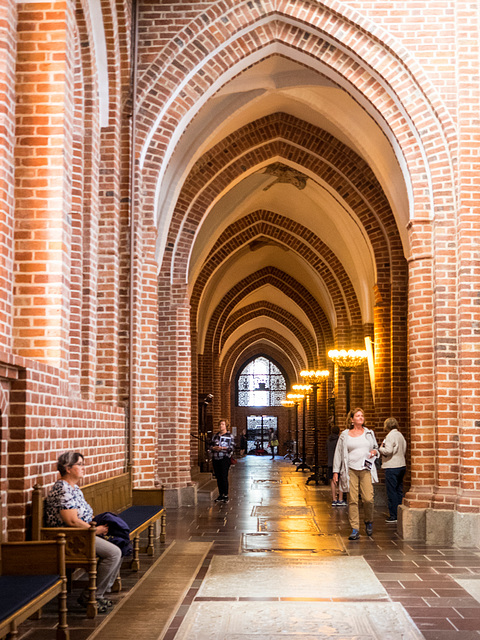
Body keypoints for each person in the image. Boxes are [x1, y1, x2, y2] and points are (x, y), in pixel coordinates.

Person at [45, 451, 123, 613]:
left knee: (119, 544)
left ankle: (99, 594)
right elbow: (71, 521)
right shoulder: (62, 489)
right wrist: (95, 530)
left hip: (83, 534)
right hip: (70, 538)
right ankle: (91, 595)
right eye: (80, 465)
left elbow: (83, 514)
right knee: (114, 552)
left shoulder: (74, 488)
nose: (83, 468)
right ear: (67, 468)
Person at [333, 408, 380, 540]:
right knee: (353, 499)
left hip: (366, 469)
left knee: (368, 498)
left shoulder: (369, 433)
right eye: (358, 416)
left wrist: (375, 452)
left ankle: (368, 520)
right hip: (350, 470)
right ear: (352, 420)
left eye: (362, 416)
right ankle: (355, 528)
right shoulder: (345, 435)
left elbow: (376, 448)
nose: (361, 418)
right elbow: (339, 453)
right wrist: (336, 471)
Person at [379, 417, 407, 523]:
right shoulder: (400, 435)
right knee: (399, 491)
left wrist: (380, 449)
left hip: (392, 466)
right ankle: (400, 513)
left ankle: (394, 515)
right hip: (401, 465)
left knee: (392, 491)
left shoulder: (390, 436)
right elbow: (404, 448)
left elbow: (388, 450)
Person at [210, 418, 235, 503]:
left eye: (223, 424)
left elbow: (231, 448)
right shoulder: (215, 436)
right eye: (220, 424)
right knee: (218, 477)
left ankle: (225, 495)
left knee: (224, 476)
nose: (221, 426)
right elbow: (210, 446)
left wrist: (222, 448)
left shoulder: (229, 436)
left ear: (226, 426)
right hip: (216, 458)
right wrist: (214, 448)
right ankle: (220, 494)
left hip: (224, 458)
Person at [326, 425, 346, 506]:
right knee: (341, 480)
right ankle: (340, 499)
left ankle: (334, 499)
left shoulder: (328, 440)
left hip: (330, 462)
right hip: (339, 463)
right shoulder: (339, 440)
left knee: (332, 480)